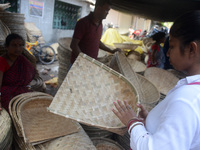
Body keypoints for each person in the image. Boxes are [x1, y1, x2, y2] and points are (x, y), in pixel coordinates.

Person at [112, 10, 200, 150]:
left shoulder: (186, 99)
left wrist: (132, 122)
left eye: (172, 46)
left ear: (191, 49)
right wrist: (152, 120)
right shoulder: (192, 91)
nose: (168, 53)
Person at [0, 33, 36, 112]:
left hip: (21, 90)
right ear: (7, 46)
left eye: (21, 45)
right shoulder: (2, 61)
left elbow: (30, 73)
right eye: (14, 45)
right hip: (6, 93)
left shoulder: (22, 59)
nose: (18, 48)